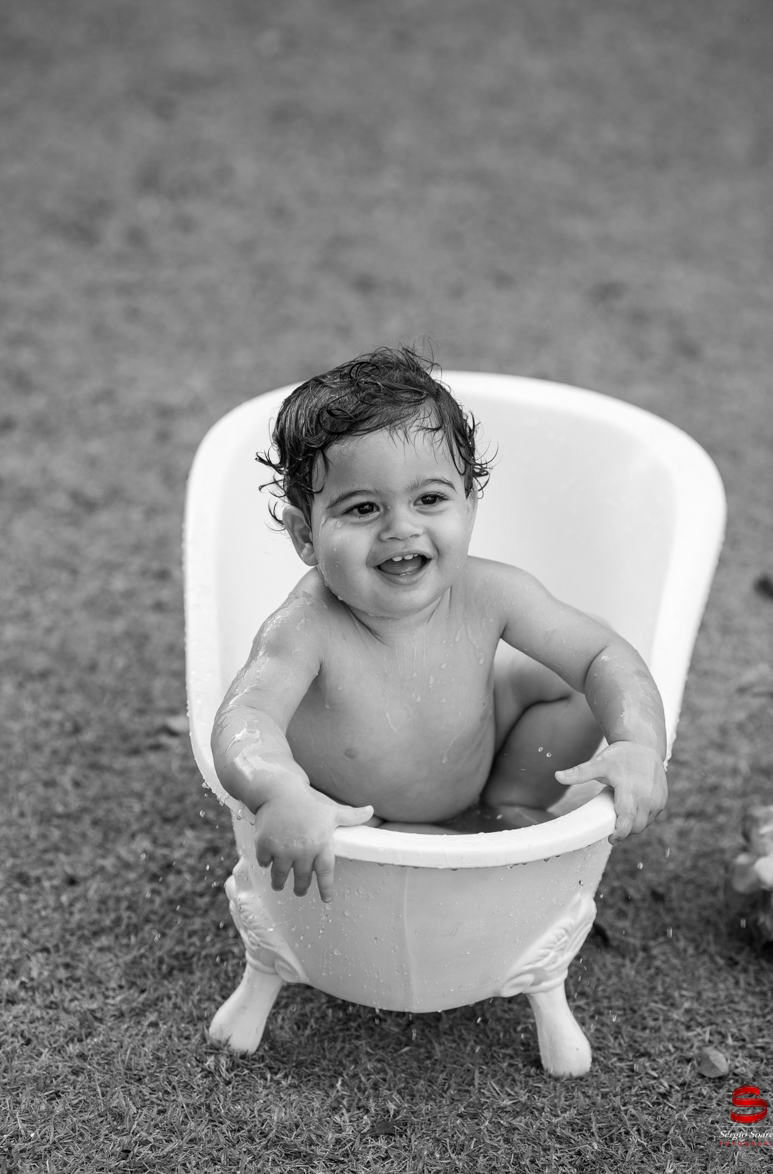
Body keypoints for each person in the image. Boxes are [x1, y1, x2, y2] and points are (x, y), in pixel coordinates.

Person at [211, 347, 667, 903]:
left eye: (429, 499)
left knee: (575, 668)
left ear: (469, 507)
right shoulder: (305, 627)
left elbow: (603, 654)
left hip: (480, 758)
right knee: (418, 881)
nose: (401, 528)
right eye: (362, 508)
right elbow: (246, 717)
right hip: (363, 817)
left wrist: (638, 742)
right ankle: (433, 841)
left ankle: (510, 801)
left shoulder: (492, 592)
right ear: (306, 536)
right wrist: (281, 790)